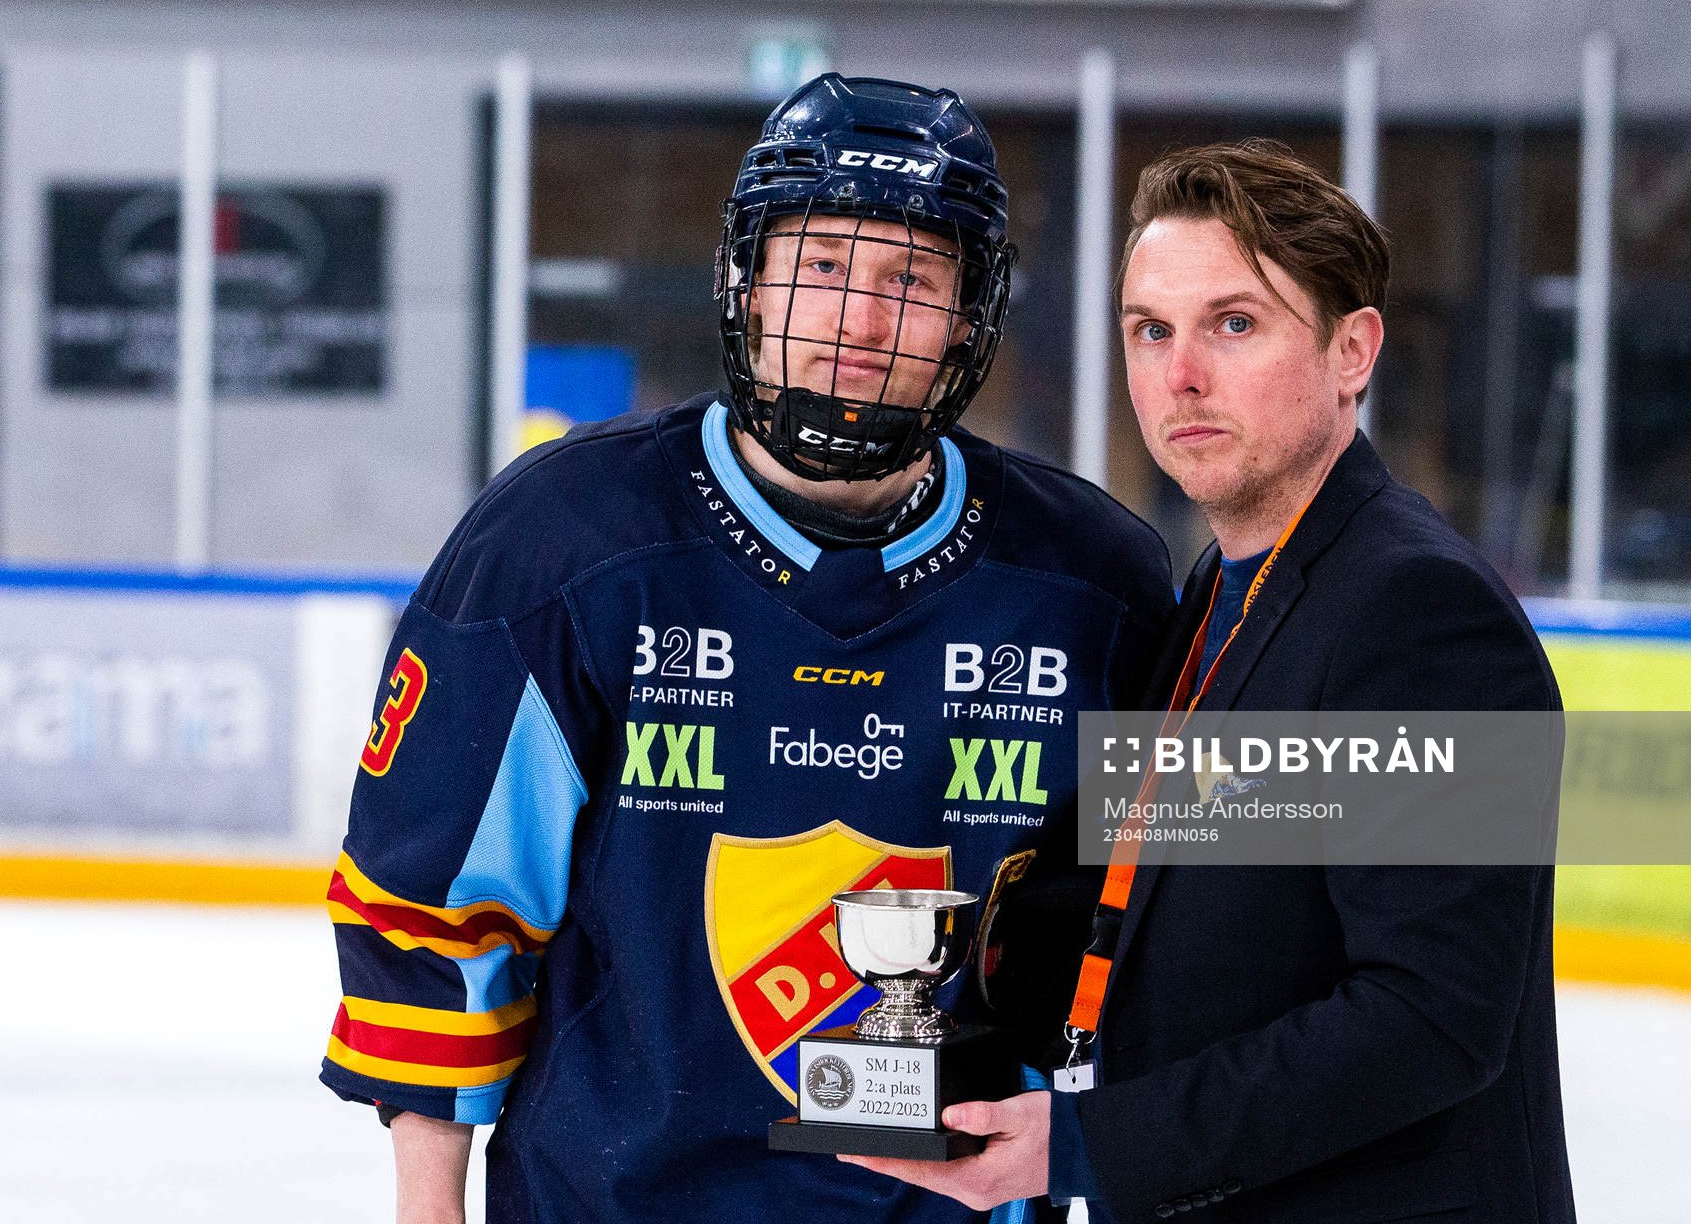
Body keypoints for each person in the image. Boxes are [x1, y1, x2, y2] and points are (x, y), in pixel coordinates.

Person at [319, 73, 1174, 1224]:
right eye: (821, 267)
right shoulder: (564, 540)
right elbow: (433, 912)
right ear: (749, 278)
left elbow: (1194, 909)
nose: (858, 322)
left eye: (909, 280)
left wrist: (1485, 785)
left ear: (970, 318)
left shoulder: (1090, 582)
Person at [846, 140, 1576, 1223]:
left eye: (1234, 324)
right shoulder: (1216, 594)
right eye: (1151, 330)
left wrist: (1089, 1143)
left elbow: (1430, 1017)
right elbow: (1186, 930)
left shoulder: (1421, 615)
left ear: (1352, 350)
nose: (1181, 374)